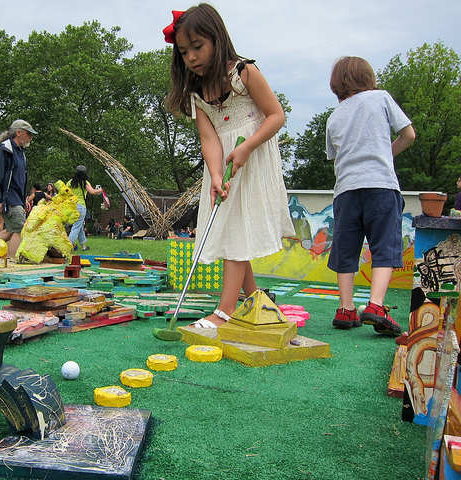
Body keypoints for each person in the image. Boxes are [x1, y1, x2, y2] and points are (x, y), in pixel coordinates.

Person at [163, 4, 294, 328]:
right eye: (183, 51)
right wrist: (216, 174)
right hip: (223, 164)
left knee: (236, 230)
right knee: (232, 229)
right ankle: (255, 302)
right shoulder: (196, 92)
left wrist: (247, 146)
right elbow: (208, 139)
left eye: (197, 46)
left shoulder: (244, 72)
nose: (191, 57)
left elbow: (276, 115)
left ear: (216, 38)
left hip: (252, 155)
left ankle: (226, 311)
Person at [326, 56, 415, 334]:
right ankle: (375, 305)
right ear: (367, 77)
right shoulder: (380, 98)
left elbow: (336, 157)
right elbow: (408, 134)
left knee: (346, 249)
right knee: (384, 246)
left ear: (337, 84)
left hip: (346, 191)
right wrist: (383, 155)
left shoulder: (333, 117)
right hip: (380, 185)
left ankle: (346, 308)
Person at [0, 119, 35, 258]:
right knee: (20, 229)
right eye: (28, 133)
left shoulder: (20, 152)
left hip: (16, 199)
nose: (31, 137)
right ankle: (14, 261)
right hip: (7, 198)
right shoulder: (4, 149)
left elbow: (20, 179)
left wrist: (23, 199)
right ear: (18, 133)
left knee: (11, 229)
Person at [67, 165, 103, 251]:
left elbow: (64, 191)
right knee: (76, 227)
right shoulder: (85, 182)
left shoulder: (71, 182)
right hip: (80, 206)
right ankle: (67, 246)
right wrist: (100, 190)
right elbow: (92, 192)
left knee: (79, 226)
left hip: (71, 206)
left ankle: (83, 246)